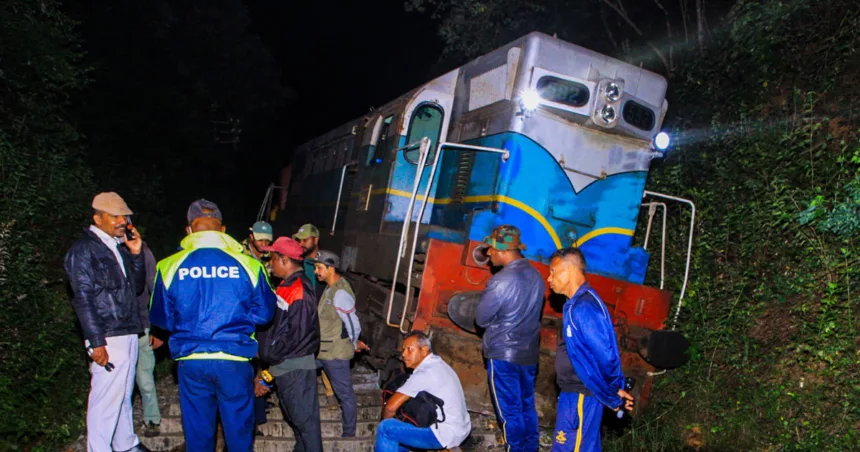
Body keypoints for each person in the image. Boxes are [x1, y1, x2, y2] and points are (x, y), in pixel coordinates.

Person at [149, 199, 276, 452]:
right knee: (239, 435)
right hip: (235, 359)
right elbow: (265, 314)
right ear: (223, 230)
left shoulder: (168, 266)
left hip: (191, 359)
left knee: (198, 435)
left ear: (188, 230)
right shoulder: (250, 265)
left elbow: (161, 318)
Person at [64, 192, 148, 452]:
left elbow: (134, 288)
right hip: (108, 332)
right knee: (105, 399)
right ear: (97, 218)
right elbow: (82, 298)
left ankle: (125, 444)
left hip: (126, 329)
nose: (122, 221)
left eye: (124, 216)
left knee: (122, 393)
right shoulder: (83, 250)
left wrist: (135, 255)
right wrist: (95, 340)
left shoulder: (115, 246)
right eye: (115, 216)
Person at [546, 247, 634, 452]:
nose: (549, 278)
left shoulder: (583, 308)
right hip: (578, 392)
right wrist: (614, 389)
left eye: (553, 271)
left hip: (581, 394)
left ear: (569, 271)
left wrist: (612, 393)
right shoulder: (576, 303)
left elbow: (606, 356)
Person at [475, 225, 545, 452]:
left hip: (504, 355)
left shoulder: (501, 281)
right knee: (527, 407)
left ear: (503, 250)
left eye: (491, 249)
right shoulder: (536, 276)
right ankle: (530, 448)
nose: (488, 254)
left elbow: (481, 318)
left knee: (509, 413)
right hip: (529, 355)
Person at [257, 237, 323, 452]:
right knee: (299, 425)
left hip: (294, 367)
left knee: (306, 426)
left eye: (273, 258)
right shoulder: (288, 286)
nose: (270, 263)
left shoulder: (299, 290)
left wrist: (271, 364)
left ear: (285, 260)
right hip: (287, 366)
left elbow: (297, 336)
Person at [375, 332, 471, 452]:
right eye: (403, 350)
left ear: (424, 350)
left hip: (444, 433)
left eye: (409, 350)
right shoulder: (439, 364)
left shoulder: (425, 373)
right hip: (461, 428)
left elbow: (390, 407)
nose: (404, 354)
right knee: (399, 441)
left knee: (386, 429)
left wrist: (385, 421)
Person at [309, 250, 370, 438]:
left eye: (319, 268)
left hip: (335, 353)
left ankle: (349, 433)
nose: (316, 272)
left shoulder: (340, 292)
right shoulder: (330, 287)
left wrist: (351, 344)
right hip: (323, 350)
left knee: (345, 394)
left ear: (331, 268)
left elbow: (353, 323)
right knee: (300, 369)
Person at [241, 220, 275, 435]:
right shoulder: (240, 255)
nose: (263, 244)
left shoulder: (267, 257)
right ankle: (249, 422)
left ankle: (258, 412)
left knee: (261, 367)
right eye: (260, 239)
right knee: (247, 373)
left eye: (267, 241)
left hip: (261, 320)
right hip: (244, 321)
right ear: (251, 236)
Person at [136, 241, 163, 438]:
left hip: (141, 323)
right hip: (113, 330)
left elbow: (155, 288)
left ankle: (152, 419)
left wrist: (158, 328)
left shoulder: (142, 250)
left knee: (144, 376)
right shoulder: (99, 249)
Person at [292, 223, 322, 295]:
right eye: (299, 240)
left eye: (305, 240)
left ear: (315, 240)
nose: (300, 244)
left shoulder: (324, 264)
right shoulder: (298, 262)